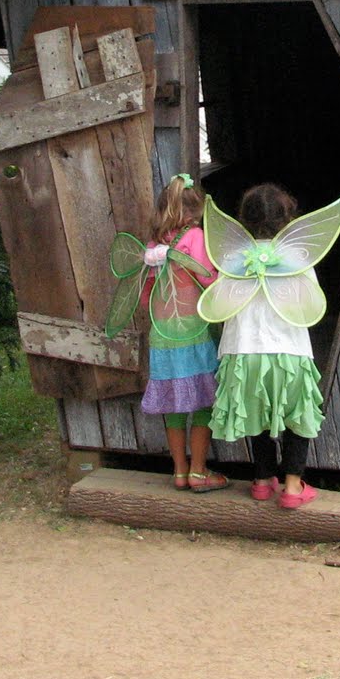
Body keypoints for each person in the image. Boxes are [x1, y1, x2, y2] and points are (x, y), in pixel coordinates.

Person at [201, 183, 340, 510]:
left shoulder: (233, 258)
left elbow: (221, 303)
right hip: (289, 350)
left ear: (244, 217)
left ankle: (261, 480)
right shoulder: (297, 257)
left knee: (256, 413)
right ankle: (293, 487)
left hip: (243, 351)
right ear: (287, 217)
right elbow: (310, 304)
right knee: (298, 414)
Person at [128, 173, 228, 493]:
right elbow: (209, 279)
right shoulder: (195, 237)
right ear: (192, 213)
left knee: (173, 404)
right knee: (204, 401)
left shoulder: (153, 245)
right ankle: (199, 471)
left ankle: (180, 472)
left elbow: (145, 296)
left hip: (163, 337)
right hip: (194, 332)